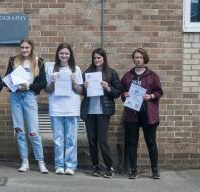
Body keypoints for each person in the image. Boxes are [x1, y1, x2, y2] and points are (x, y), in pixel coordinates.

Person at [5, 38, 48, 173]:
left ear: (31, 48)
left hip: (29, 96)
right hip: (16, 97)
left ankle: (40, 161)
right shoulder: (13, 61)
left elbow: (43, 83)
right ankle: (25, 161)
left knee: (33, 131)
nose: (24, 50)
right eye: (22, 47)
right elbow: (7, 79)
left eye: (27, 48)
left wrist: (29, 86)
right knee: (19, 130)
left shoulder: (39, 62)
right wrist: (14, 85)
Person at [121, 48, 163, 179]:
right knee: (132, 143)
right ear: (133, 59)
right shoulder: (127, 76)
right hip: (131, 113)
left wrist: (150, 96)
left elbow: (159, 92)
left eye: (140, 57)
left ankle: (155, 170)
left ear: (144, 59)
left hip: (148, 113)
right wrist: (124, 94)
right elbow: (121, 92)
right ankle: (133, 170)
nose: (138, 59)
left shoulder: (152, 75)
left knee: (151, 142)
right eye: (136, 57)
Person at [80, 48, 121, 178]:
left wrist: (108, 87)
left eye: (99, 58)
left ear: (104, 58)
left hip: (103, 112)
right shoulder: (87, 73)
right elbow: (82, 92)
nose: (97, 60)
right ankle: (96, 167)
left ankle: (109, 167)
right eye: (95, 58)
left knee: (102, 141)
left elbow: (117, 92)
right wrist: (84, 87)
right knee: (92, 141)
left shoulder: (111, 73)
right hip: (90, 112)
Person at [45, 43, 83, 175]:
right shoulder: (51, 68)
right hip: (56, 108)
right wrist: (52, 81)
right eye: (61, 53)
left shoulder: (76, 69)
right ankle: (59, 165)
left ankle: (70, 166)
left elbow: (80, 90)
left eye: (66, 53)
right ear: (58, 54)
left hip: (72, 108)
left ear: (70, 55)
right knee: (58, 138)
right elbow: (48, 90)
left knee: (71, 139)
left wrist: (74, 82)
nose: (64, 56)